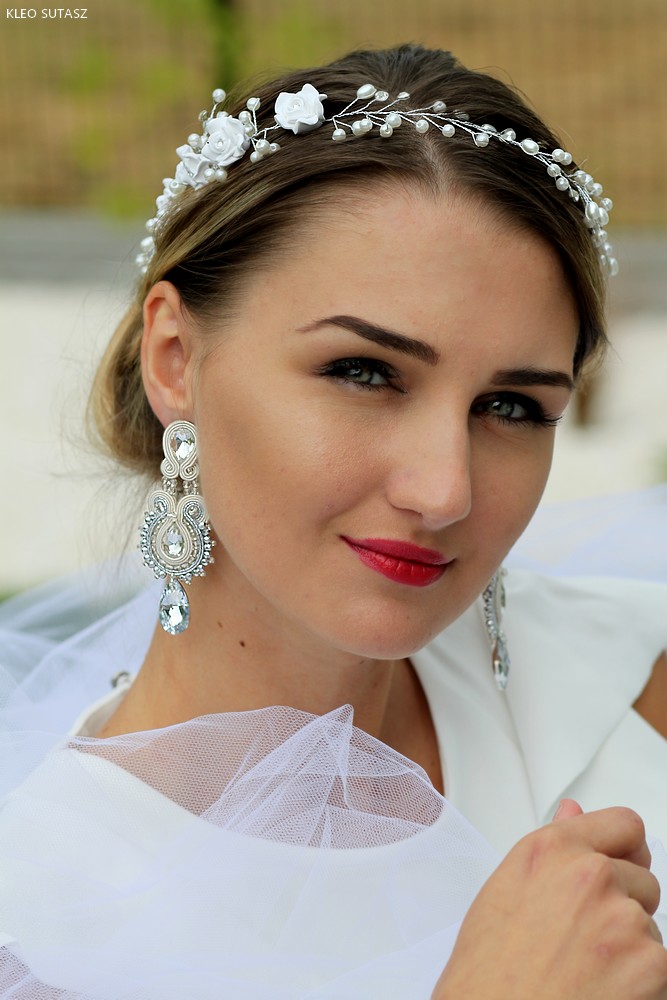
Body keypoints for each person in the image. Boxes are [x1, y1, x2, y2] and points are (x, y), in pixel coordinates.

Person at [1, 42, 666, 999]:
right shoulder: (39, 931)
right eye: (364, 373)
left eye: (511, 406)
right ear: (176, 357)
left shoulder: (632, 688)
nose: (444, 491)